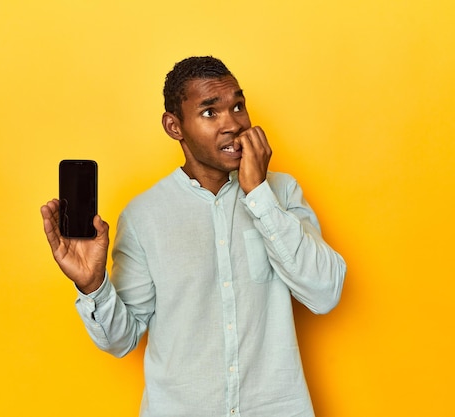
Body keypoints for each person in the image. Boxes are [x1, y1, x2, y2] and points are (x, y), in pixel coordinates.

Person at [41, 56, 346, 417]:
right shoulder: (144, 216)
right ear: (174, 126)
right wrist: (93, 287)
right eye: (209, 112)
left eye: (237, 106)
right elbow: (121, 340)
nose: (232, 123)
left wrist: (259, 196)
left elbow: (325, 293)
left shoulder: (281, 193)